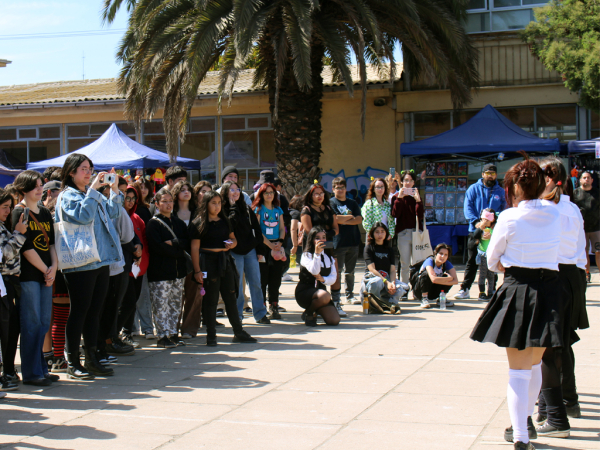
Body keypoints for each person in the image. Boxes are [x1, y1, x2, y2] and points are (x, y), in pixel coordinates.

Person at [470, 157, 564, 450]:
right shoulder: (555, 213)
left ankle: (521, 436)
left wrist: (507, 266)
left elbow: (491, 258)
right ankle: (525, 424)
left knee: (519, 371)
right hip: (549, 291)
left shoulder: (509, 217)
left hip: (518, 289)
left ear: (512, 187)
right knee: (534, 364)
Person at [533, 157, 588, 438]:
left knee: (550, 346)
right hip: (571, 275)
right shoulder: (571, 208)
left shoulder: (550, 209)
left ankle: (552, 408)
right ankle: (567, 400)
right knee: (562, 342)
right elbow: (580, 248)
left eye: (544, 175)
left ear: (555, 179)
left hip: (555, 275)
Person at [57, 154, 124, 380]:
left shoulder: (89, 193)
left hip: (100, 259)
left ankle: (92, 358)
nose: (88, 173)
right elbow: (84, 217)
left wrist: (113, 190)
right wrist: (95, 191)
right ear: (71, 172)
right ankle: (73, 361)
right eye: (83, 169)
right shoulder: (68, 195)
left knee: (95, 312)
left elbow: (113, 213)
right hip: (79, 263)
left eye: (90, 169)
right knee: (80, 311)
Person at [190, 191, 256, 346]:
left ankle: (238, 332)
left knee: (231, 297)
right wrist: (197, 271)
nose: (217, 206)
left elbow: (234, 239)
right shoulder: (198, 223)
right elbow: (194, 248)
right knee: (211, 300)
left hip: (225, 260)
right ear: (206, 204)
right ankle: (211, 336)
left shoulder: (225, 221)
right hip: (207, 261)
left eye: (219, 203)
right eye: (213, 203)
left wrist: (232, 244)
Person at [11, 170, 58, 387]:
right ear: (23, 189)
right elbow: (26, 248)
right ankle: (31, 372)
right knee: (31, 323)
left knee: (42, 323)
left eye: (41, 185)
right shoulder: (18, 213)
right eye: (35, 186)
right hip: (29, 276)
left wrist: (54, 267)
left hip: (46, 275)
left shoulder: (45, 213)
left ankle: (41, 368)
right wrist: (46, 269)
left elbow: (51, 245)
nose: (40, 189)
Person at [97, 177, 140, 360]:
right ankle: (105, 342)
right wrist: (133, 246)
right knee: (107, 305)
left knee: (118, 303)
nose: (120, 197)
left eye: (120, 193)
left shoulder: (119, 209)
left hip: (119, 264)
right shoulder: (106, 207)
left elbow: (130, 235)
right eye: (116, 192)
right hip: (108, 264)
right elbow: (125, 236)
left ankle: (109, 340)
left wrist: (137, 246)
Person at [146, 188, 190, 348]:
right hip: (160, 273)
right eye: (164, 201)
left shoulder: (178, 223)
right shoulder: (153, 224)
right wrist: (177, 249)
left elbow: (187, 241)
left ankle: (173, 333)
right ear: (157, 204)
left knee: (176, 304)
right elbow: (157, 247)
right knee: (161, 305)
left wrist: (175, 244)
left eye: (170, 201)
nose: (168, 204)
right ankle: (162, 335)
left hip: (179, 272)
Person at [455, 163, 506, 300]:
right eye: (488, 173)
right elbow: (468, 208)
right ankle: (465, 289)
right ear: (482, 174)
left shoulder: (500, 191)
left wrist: (493, 225)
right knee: (472, 261)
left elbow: (504, 209)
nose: (490, 176)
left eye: (493, 173)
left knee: (492, 259)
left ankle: (492, 290)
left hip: (493, 232)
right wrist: (477, 223)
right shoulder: (473, 189)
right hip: (476, 230)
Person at [221, 181, 270, 324]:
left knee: (255, 282)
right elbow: (230, 225)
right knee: (237, 286)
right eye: (232, 190)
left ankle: (260, 314)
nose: (236, 192)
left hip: (250, 250)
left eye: (238, 189)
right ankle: (237, 316)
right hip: (234, 251)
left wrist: (260, 249)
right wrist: (233, 208)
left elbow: (257, 230)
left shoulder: (246, 209)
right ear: (225, 192)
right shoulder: (223, 210)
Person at [0, 187, 27, 390]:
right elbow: (4, 255)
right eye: (4, 207)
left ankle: (9, 369)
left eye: (9, 207)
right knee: (6, 330)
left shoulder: (4, 226)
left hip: (12, 283)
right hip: (4, 284)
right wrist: (18, 235)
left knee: (13, 328)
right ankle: (6, 371)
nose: (8, 211)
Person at [116, 184, 149, 347]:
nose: (129, 201)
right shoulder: (117, 216)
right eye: (126, 198)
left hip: (138, 266)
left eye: (132, 198)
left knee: (132, 301)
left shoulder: (137, 218)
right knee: (126, 302)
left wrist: (141, 254)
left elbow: (142, 240)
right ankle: (114, 333)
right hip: (122, 267)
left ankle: (126, 333)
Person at [253, 183, 286, 320]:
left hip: (277, 247)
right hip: (263, 248)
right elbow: (257, 231)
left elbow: (283, 228)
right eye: (266, 192)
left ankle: (274, 305)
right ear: (261, 194)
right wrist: (269, 245)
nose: (269, 195)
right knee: (263, 278)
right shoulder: (259, 210)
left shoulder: (278, 210)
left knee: (275, 278)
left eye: (272, 192)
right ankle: (262, 306)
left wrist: (280, 242)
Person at [295, 227, 340, 327]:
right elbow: (315, 271)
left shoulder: (329, 256)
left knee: (334, 320)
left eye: (323, 237)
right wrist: (317, 254)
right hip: (305, 291)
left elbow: (333, 277)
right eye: (317, 238)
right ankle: (309, 313)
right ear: (312, 240)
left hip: (321, 293)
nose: (321, 240)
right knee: (325, 295)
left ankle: (313, 309)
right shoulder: (306, 255)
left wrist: (324, 279)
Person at [329, 177, 363, 311]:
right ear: (333, 189)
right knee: (337, 271)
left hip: (353, 241)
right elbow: (335, 219)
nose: (340, 189)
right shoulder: (331, 203)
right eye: (337, 187)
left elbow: (359, 219)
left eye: (342, 187)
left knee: (350, 272)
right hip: (339, 242)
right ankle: (336, 298)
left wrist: (344, 220)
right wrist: (350, 217)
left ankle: (350, 295)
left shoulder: (352, 202)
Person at [362, 223, 407, 310]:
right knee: (377, 282)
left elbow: (392, 270)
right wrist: (387, 282)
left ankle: (390, 303)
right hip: (373, 278)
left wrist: (392, 283)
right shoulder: (368, 248)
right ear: (372, 234)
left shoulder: (389, 249)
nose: (380, 235)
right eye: (377, 232)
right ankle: (373, 304)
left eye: (382, 232)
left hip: (387, 278)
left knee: (402, 288)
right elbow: (372, 269)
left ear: (386, 234)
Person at [390, 169, 423, 287]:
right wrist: (399, 198)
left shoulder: (416, 196)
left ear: (414, 182)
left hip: (416, 232)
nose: (408, 183)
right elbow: (394, 214)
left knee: (417, 263)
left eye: (410, 180)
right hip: (403, 233)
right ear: (402, 182)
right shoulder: (396, 197)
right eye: (405, 180)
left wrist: (418, 200)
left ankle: (416, 288)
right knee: (404, 263)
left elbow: (420, 215)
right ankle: (404, 288)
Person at [571, 171, 599, 282]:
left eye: (588, 178)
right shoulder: (575, 194)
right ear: (580, 180)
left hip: (596, 227)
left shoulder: (597, 193)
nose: (586, 179)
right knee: (584, 251)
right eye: (584, 177)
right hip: (581, 229)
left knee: (598, 251)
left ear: (592, 180)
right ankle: (587, 273)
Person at [413, 243, 458, 309]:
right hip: (420, 290)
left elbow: (456, 281)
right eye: (441, 253)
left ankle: (441, 299)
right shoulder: (429, 261)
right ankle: (424, 299)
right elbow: (433, 279)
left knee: (447, 277)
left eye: (446, 255)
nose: (443, 256)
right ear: (435, 253)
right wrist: (449, 279)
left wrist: (448, 278)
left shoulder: (446, 263)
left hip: (433, 291)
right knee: (426, 274)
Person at [470, 208, 498, 302]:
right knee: (482, 274)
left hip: (492, 255)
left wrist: (492, 236)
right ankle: (482, 293)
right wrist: (481, 227)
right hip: (482, 255)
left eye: (488, 219)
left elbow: (500, 238)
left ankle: (490, 292)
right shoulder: (481, 227)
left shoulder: (495, 228)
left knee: (491, 275)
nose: (485, 221)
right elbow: (475, 236)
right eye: (484, 219)